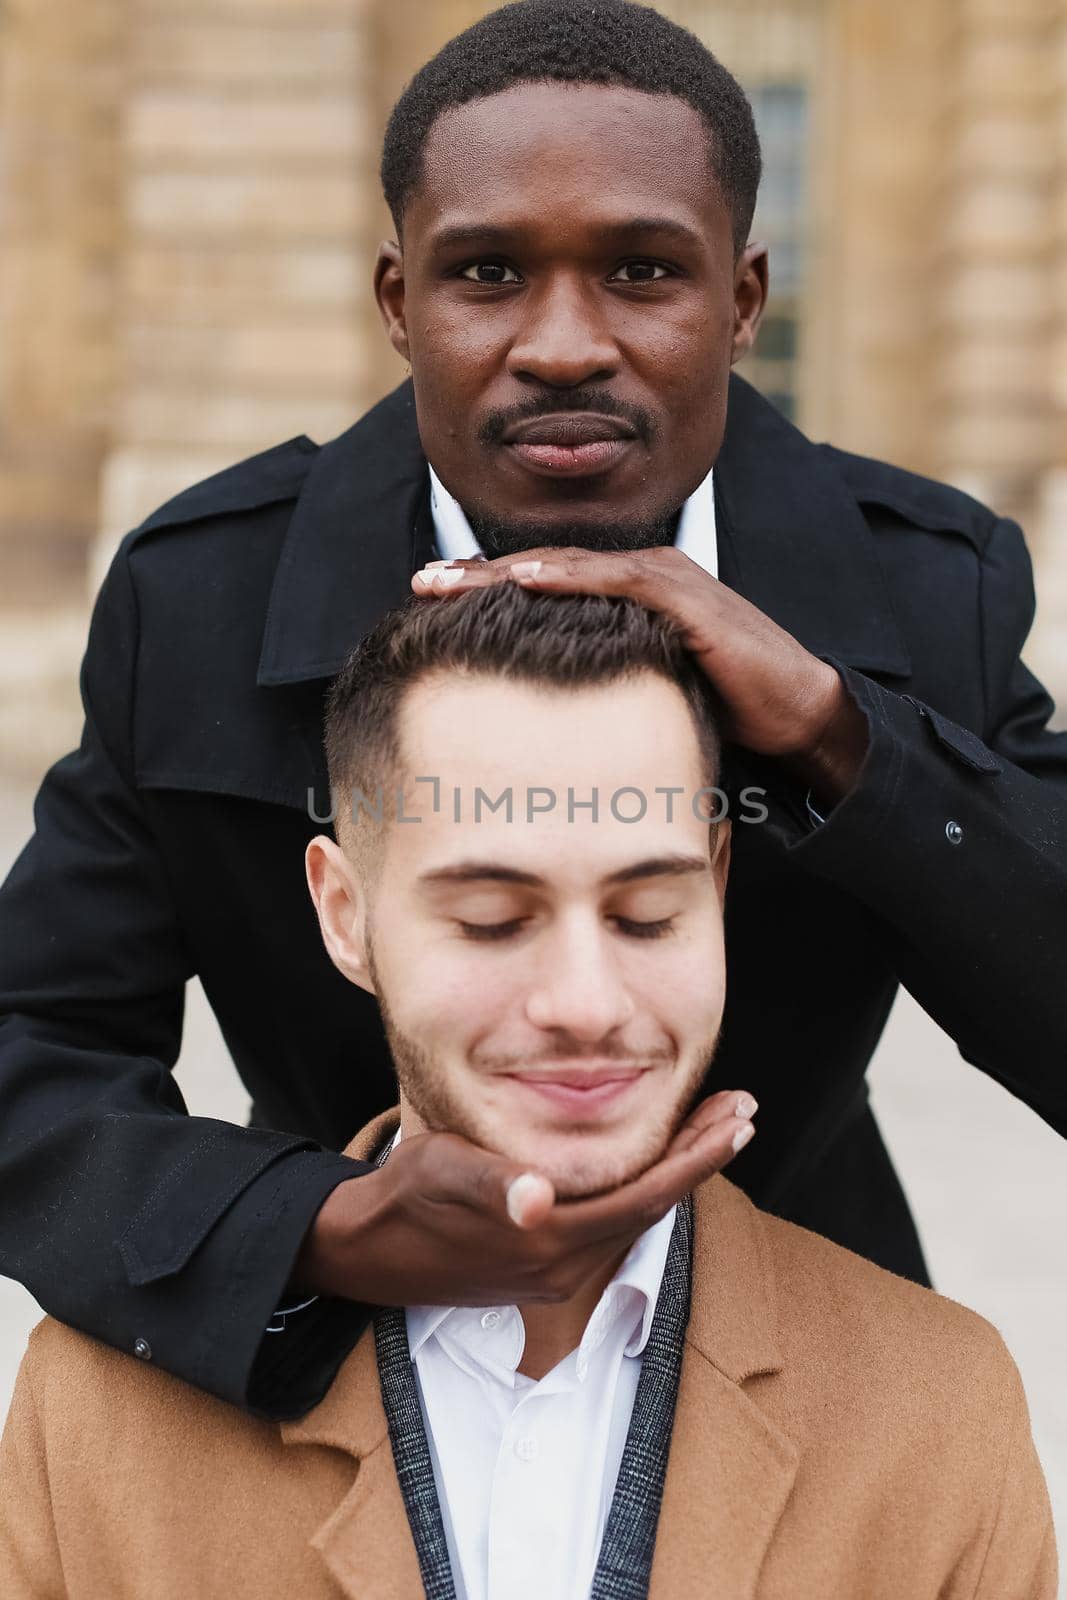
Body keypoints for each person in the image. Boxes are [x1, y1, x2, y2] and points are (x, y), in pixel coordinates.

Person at [1, 0, 1065, 1422]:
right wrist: (316, 1230)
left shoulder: (922, 587)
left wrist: (837, 730)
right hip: (317, 1358)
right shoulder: (203, 593)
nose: (563, 344)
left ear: (741, 299)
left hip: (806, 1373)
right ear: (397, 301)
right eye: (487, 272)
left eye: (640, 271)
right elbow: (35, 1047)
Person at [0, 585, 1055, 1600]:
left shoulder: (939, 1410)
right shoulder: (96, 1412)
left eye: (647, 914)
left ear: (717, 884)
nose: (584, 1004)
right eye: (492, 920)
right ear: (343, 914)